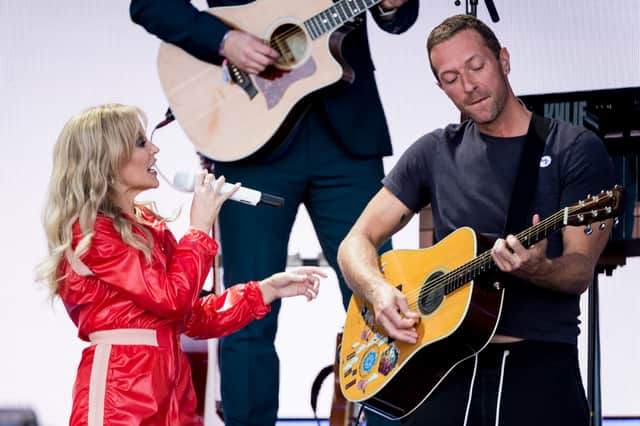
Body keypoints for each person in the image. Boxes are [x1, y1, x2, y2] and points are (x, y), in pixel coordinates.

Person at [129, 0, 419, 424]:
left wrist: (395, 7)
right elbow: (150, 5)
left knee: (380, 295)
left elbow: (396, 16)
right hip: (247, 136)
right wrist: (224, 40)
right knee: (245, 313)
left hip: (347, 132)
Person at [337, 14, 615, 426]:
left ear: (503, 60)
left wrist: (539, 268)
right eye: (450, 77)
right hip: (442, 367)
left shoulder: (573, 148)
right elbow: (355, 241)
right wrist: (378, 291)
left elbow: (578, 270)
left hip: (537, 363)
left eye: (476, 66)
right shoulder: (434, 150)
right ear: (440, 87)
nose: (467, 85)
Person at [36, 103, 326, 425]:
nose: (155, 149)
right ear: (108, 160)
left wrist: (262, 291)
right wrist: (199, 229)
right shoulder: (92, 233)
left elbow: (190, 315)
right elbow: (171, 298)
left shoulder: (146, 227)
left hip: (173, 391)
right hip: (121, 396)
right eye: (141, 143)